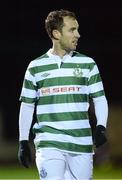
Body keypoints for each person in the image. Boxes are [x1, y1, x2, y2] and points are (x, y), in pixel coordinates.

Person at [18, 9, 108, 180]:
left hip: (81, 143)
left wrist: (101, 126)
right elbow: (27, 105)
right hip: (48, 142)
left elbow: (99, 98)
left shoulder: (88, 64)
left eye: (78, 29)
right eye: (72, 30)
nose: (78, 35)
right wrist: (23, 141)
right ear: (56, 33)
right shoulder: (35, 66)